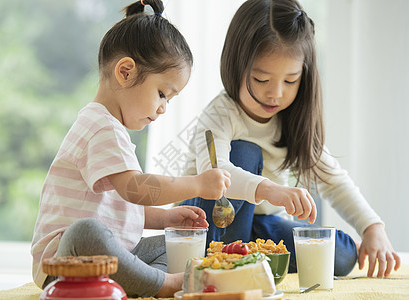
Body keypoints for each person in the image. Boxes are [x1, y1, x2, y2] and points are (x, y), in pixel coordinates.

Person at [182, 0, 400, 278]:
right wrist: (272, 190)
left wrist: (373, 228)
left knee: (342, 256)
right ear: (235, 65)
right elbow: (215, 173)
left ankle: (250, 256)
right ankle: (225, 258)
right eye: (261, 79)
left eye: (290, 81)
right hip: (208, 225)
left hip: (260, 226)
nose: (275, 93)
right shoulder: (221, 114)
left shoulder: (292, 120)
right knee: (245, 153)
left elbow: (334, 181)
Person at [30, 0, 231, 298]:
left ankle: (143, 282)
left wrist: (165, 220)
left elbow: (118, 208)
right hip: (64, 261)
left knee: (172, 243)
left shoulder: (113, 129)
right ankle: (163, 283)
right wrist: (197, 184)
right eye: (162, 93)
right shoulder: (101, 126)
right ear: (125, 72)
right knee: (89, 233)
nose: (163, 108)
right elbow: (135, 190)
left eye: (170, 100)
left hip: (112, 256)